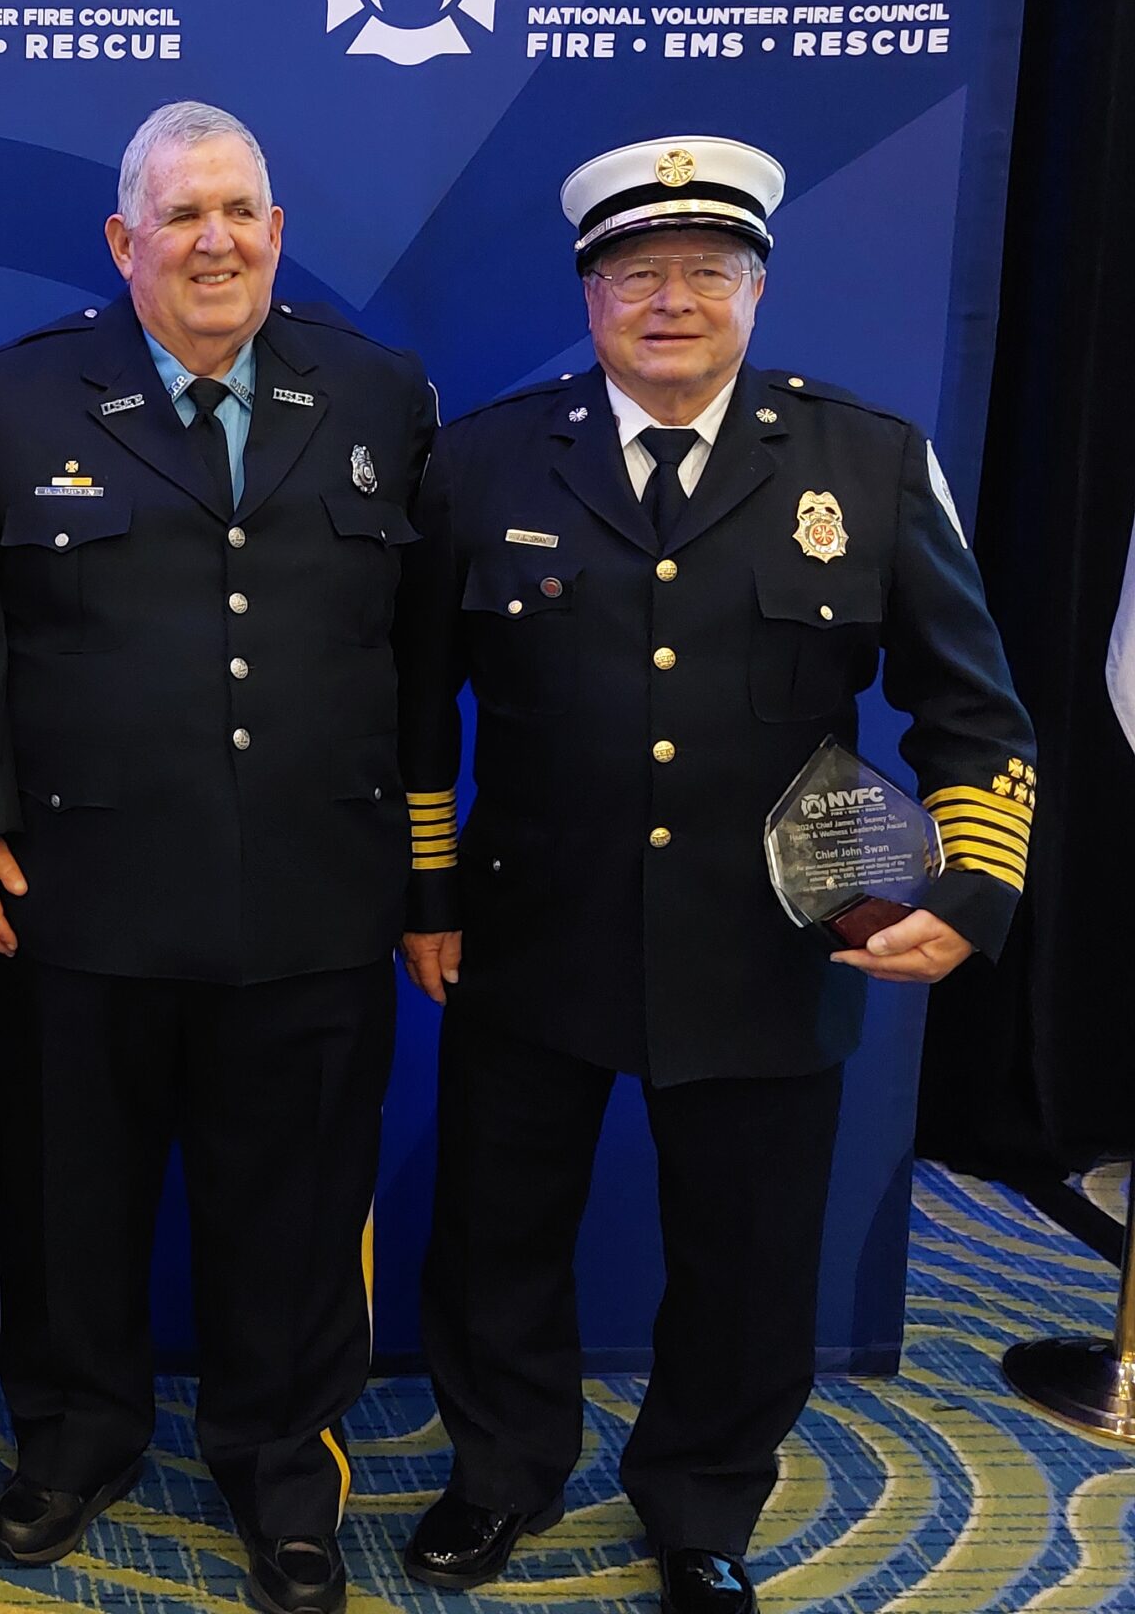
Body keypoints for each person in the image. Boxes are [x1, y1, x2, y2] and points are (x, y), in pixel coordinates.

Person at [396, 136, 1036, 1614]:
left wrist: (969, 889)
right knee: (498, 1233)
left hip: (768, 941)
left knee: (747, 1257)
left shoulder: (862, 463)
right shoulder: (487, 460)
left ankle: (701, 1505)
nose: (672, 300)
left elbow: (973, 710)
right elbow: (416, 707)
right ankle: (500, 1475)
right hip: (530, 928)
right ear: (592, 291)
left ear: (755, 288)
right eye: (639, 273)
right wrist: (427, 897)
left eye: (708, 272)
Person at [0, 101, 437, 1614]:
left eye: (241, 212)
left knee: (292, 1219)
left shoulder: (380, 397)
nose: (214, 241)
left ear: (276, 233)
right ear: (124, 241)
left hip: (312, 899)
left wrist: (426, 878)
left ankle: (284, 1470)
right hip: (77, 901)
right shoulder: (9, 399)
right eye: (181, 216)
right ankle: (76, 1443)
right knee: (67, 1203)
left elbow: (420, 665)